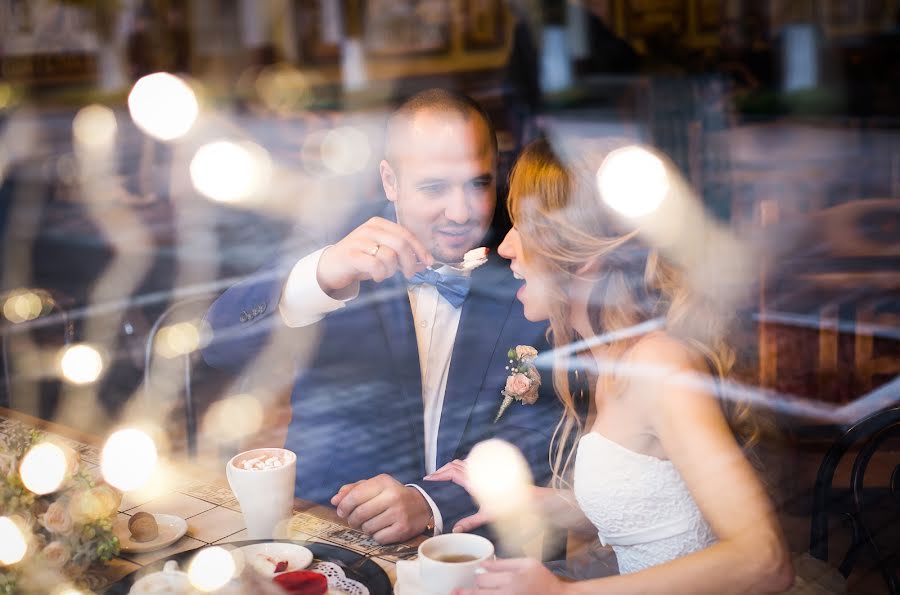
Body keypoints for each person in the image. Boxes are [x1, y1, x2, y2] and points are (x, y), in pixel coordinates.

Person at [427, 138, 794, 593]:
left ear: (584, 257)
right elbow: (651, 508)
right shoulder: (612, 362)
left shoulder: (660, 365)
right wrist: (526, 502)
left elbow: (765, 561)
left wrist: (561, 594)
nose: (505, 247)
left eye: (522, 225)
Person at [202, 90, 562, 545]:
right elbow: (216, 344)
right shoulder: (330, 245)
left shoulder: (528, 276)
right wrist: (321, 276)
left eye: (477, 184)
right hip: (329, 536)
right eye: (433, 188)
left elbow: (546, 436)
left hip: (479, 552)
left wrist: (432, 504)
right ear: (390, 182)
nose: (460, 212)